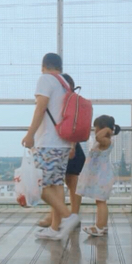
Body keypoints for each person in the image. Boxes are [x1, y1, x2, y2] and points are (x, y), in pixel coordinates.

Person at [22, 53, 81, 240]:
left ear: (43, 67)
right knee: (55, 185)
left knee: (38, 185)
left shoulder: (45, 79)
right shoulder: (64, 84)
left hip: (48, 142)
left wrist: (30, 134)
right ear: (60, 68)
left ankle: (69, 216)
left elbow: (40, 107)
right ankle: (55, 229)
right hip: (63, 143)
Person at [37, 74, 85, 229]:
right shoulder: (70, 99)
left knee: (58, 184)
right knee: (62, 184)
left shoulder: (65, 100)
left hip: (65, 145)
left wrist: (72, 145)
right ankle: (65, 216)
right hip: (66, 145)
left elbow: (72, 124)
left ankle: (67, 216)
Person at [77, 115, 120, 237]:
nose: (94, 130)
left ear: (102, 128)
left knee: (101, 202)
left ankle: (99, 227)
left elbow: (98, 137)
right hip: (100, 175)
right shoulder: (103, 141)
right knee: (100, 201)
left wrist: (107, 130)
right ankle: (102, 226)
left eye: (96, 127)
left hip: (102, 176)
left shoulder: (106, 141)